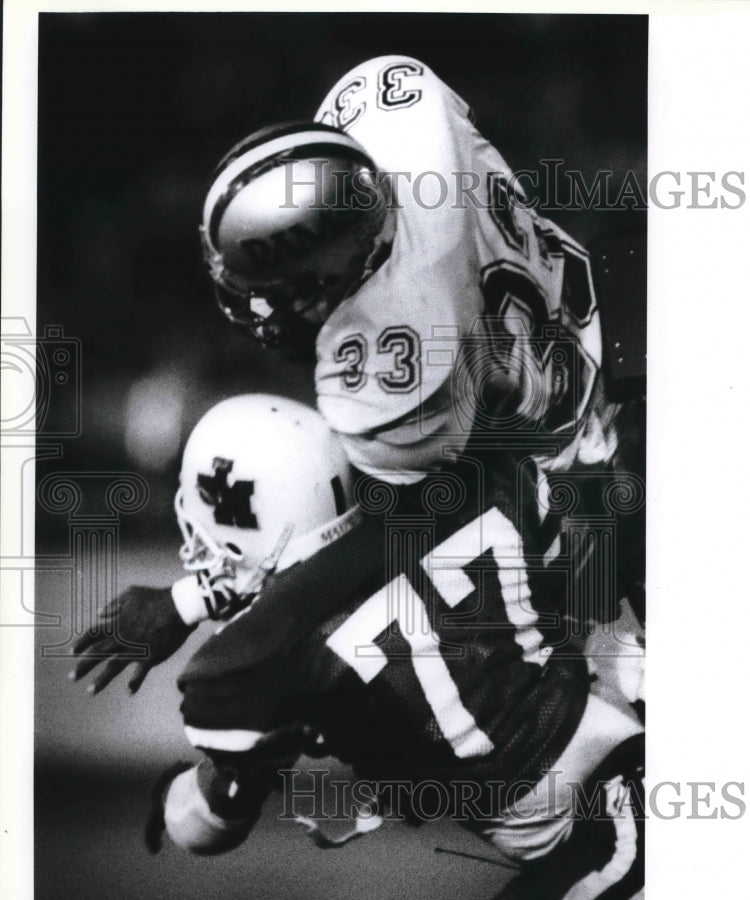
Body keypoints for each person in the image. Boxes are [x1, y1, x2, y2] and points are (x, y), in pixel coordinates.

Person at [72, 55, 641, 689]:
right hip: (620, 307)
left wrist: (189, 603)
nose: (261, 309)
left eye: (273, 291)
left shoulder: (381, 367)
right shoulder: (394, 98)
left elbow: (375, 546)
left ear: (322, 281)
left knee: (593, 680)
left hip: (595, 471)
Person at [85, 394, 643, 900]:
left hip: (628, 803)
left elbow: (206, 827)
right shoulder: (469, 482)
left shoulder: (269, 655)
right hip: (605, 777)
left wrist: (182, 792)